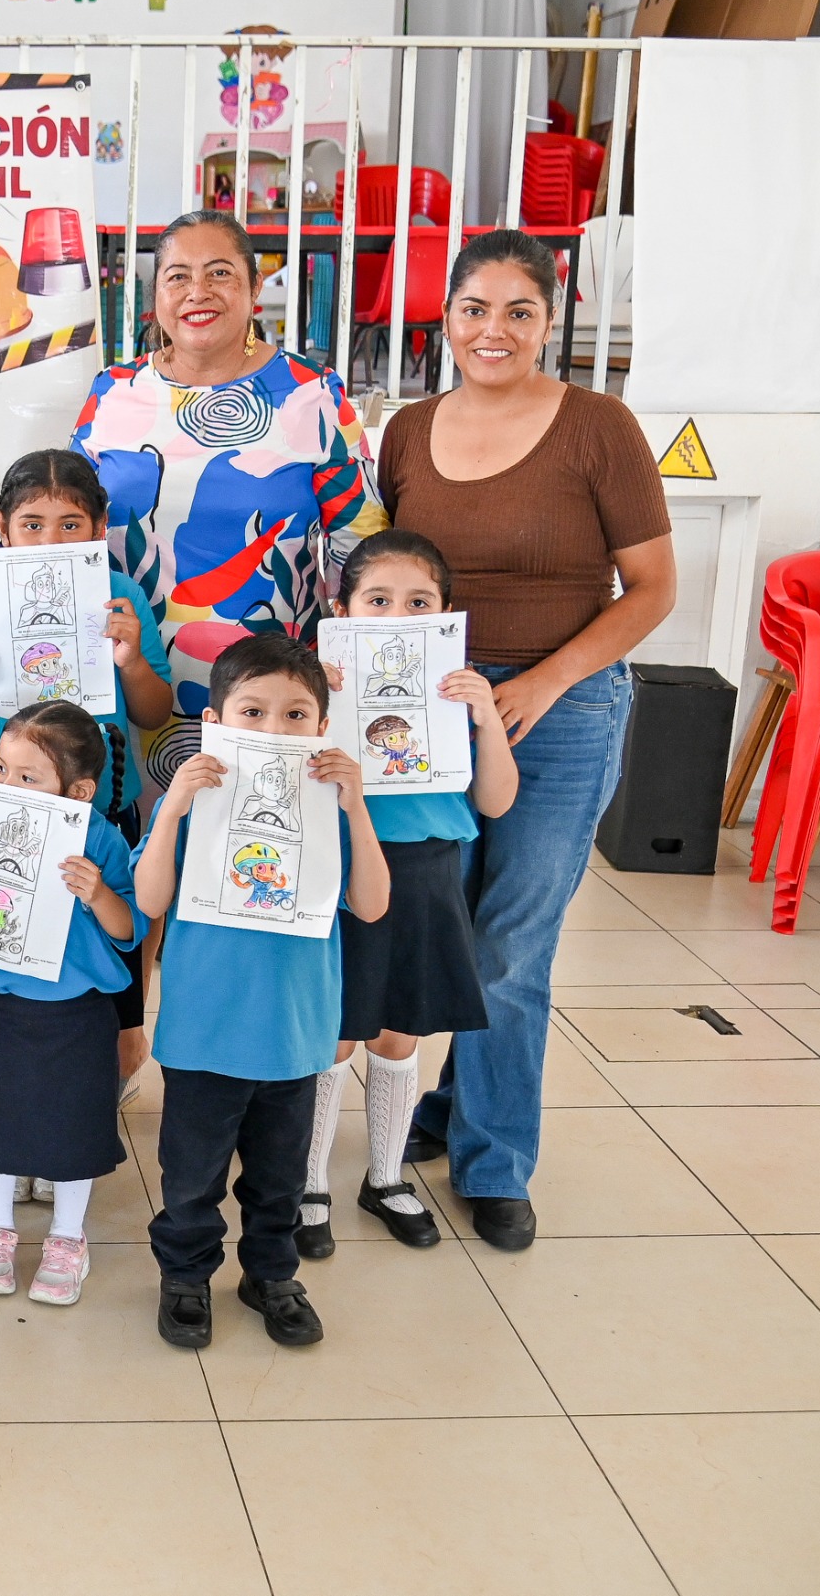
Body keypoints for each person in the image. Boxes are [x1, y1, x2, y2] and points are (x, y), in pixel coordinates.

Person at [377, 230, 674, 1251]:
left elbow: (654, 590)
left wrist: (546, 680)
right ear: (445, 318)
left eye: (517, 311)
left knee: (512, 944)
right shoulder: (407, 431)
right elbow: (397, 578)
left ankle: (493, 1160)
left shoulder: (599, 427)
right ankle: (450, 1106)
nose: (491, 330)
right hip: (432, 712)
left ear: (551, 321)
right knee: (447, 923)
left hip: (563, 708)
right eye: (473, 308)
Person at [134, 635, 387, 1350]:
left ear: (321, 727)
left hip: (294, 1034)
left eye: (295, 714)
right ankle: (184, 1274)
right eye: (252, 711)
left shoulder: (333, 807)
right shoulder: (195, 799)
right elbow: (149, 899)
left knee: (281, 1178)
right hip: (204, 1031)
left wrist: (359, 808)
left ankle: (270, 1272)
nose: (273, 730)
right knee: (191, 1176)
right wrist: (174, 808)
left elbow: (371, 905)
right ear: (215, 719)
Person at [0, 450, 172, 1109]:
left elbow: (153, 709)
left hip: (97, 813)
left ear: (99, 525)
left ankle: (99, 1082)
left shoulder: (122, 597)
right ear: (1, 524)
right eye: (32, 523)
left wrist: (133, 657)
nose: (50, 539)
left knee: (99, 952)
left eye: (69, 523)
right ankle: (5, 1096)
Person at [71, 209, 385, 721]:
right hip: (126, 677)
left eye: (220, 272)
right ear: (157, 296)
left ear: (255, 287)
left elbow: (360, 547)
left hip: (273, 695)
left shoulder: (312, 394)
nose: (198, 291)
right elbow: (68, 518)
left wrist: (352, 662)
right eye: (178, 277)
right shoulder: (113, 391)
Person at [298, 531, 517, 1255]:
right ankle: (308, 1182)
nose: (396, 616)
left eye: (417, 602)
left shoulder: (459, 690)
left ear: (445, 612)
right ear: (343, 606)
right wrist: (314, 699)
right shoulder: (315, 684)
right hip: (341, 870)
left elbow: (494, 801)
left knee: (401, 1031)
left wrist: (486, 717)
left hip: (428, 871)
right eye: (378, 600)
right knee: (334, 1033)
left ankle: (386, 1175)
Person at [0, 701, 148, 1308]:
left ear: (80, 790)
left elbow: (129, 930)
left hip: (78, 1010)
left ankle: (66, 1236)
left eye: (28, 776)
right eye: (3, 770)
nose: (8, 785)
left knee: (74, 1126)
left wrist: (98, 891)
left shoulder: (103, 840)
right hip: (2, 1005)